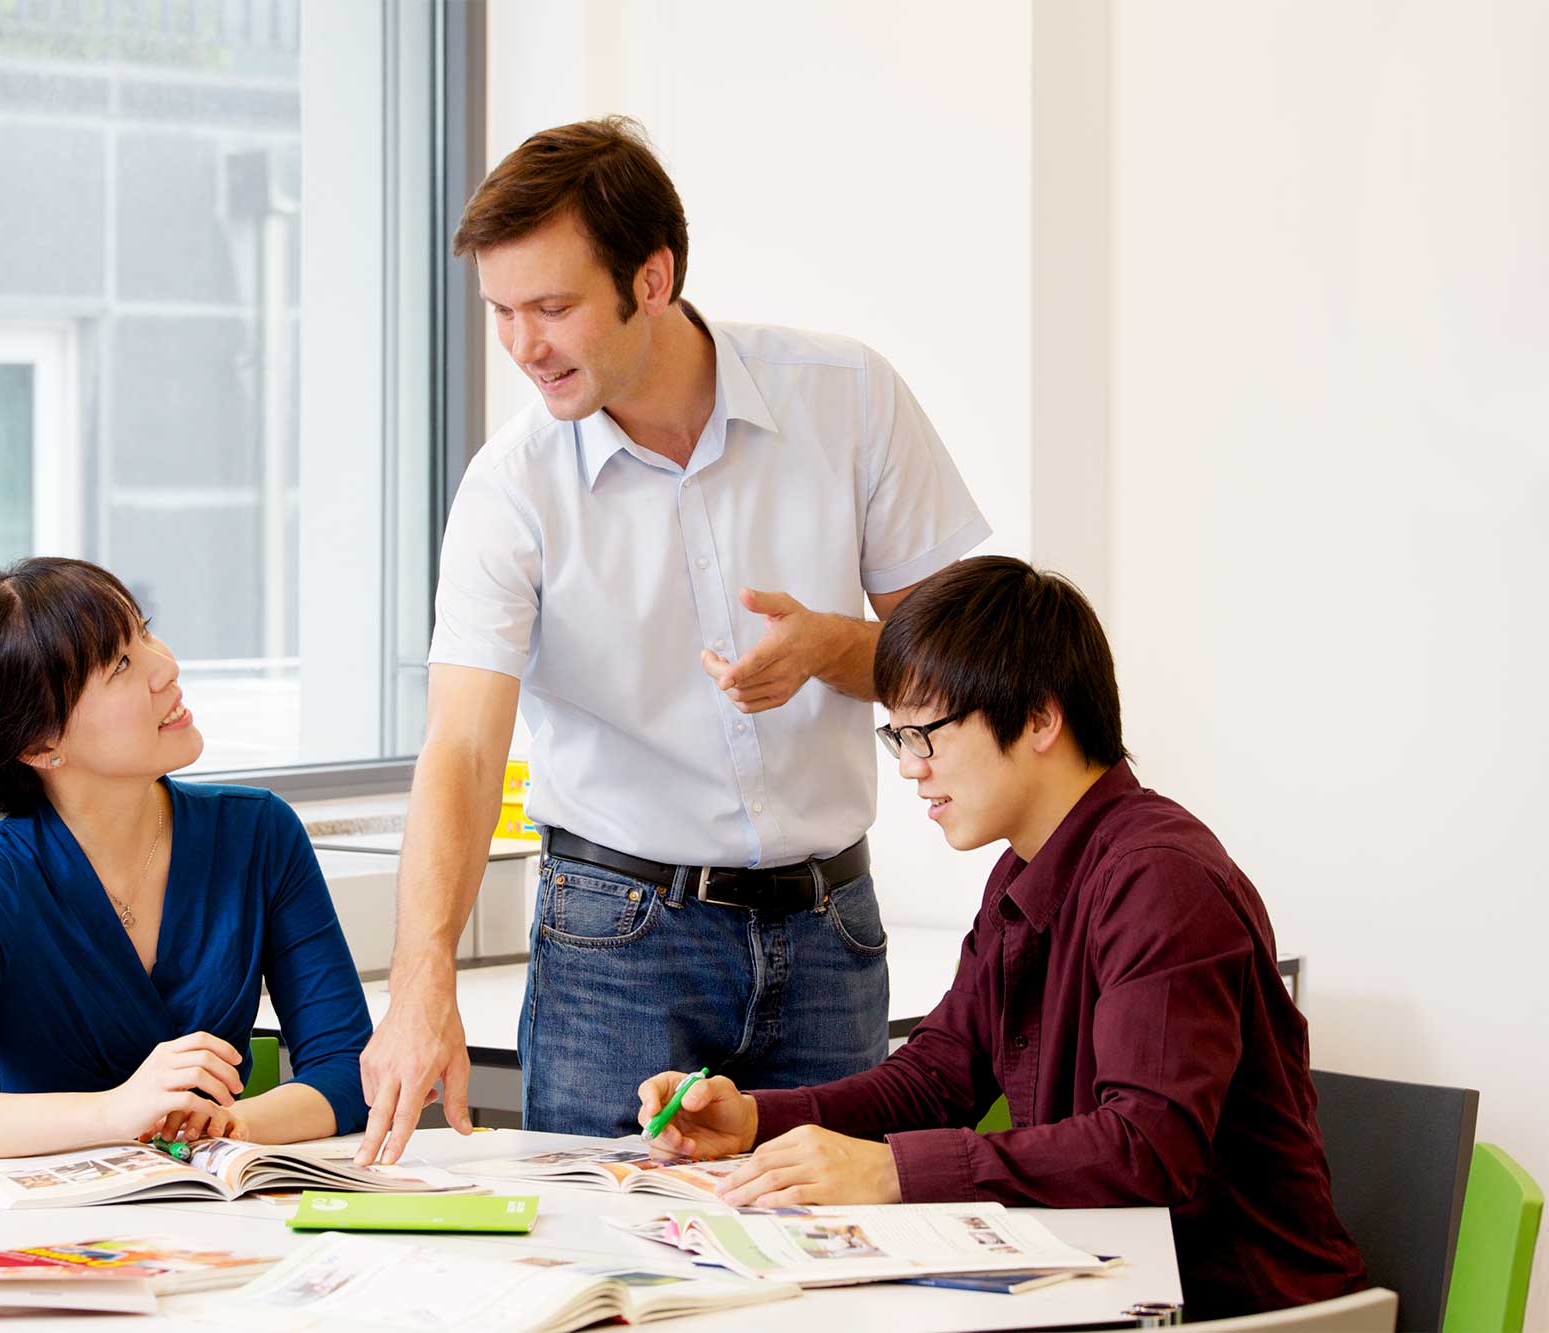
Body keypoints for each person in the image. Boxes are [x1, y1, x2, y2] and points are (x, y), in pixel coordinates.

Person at [356, 116, 989, 1163]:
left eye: (551, 307)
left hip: (831, 925)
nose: (521, 347)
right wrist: (421, 980)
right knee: (613, 1277)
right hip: (615, 943)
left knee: (839, 1273)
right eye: (501, 312)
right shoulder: (509, 487)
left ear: (649, 280)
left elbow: (971, 668)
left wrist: (834, 647)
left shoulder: (846, 397)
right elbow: (463, 749)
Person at [635, 556, 1367, 1319]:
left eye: (928, 734)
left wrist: (891, 1171)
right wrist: (757, 1119)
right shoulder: (1026, 870)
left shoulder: (1160, 881)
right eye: (899, 737)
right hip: (1104, 1285)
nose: (913, 769)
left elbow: (1148, 1150)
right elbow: (942, 1073)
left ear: (1042, 718)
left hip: (1241, 1311)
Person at [0, 557, 370, 1165]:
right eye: (120, 663)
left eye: (143, 632)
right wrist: (115, 1111)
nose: (166, 667)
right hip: (51, 1239)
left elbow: (350, 1069)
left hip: (218, 1220)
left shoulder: (258, 833)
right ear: (41, 744)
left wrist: (226, 1126)